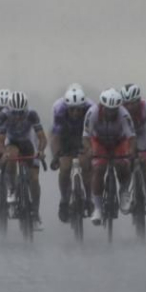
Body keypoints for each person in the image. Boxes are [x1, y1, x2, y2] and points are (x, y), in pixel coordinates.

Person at [0, 91, 48, 230]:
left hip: (28, 142)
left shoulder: (32, 114)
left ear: (26, 109)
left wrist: (41, 151)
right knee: (12, 154)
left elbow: (42, 137)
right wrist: (3, 153)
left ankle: (35, 214)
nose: (18, 116)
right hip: (11, 141)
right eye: (15, 113)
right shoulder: (4, 115)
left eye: (21, 113)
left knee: (34, 180)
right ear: (10, 110)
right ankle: (11, 189)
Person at [83, 89, 136, 225]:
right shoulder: (92, 113)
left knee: (122, 164)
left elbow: (131, 137)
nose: (111, 113)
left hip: (119, 141)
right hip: (99, 141)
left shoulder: (124, 115)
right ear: (102, 106)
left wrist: (131, 151)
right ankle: (98, 208)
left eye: (114, 110)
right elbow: (86, 137)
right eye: (108, 109)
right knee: (99, 169)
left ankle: (124, 191)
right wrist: (89, 150)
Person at [50, 86, 94, 223]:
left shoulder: (91, 108)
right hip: (65, 136)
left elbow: (93, 134)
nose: (75, 112)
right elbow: (55, 137)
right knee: (64, 168)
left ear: (83, 106)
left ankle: (89, 198)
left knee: (86, 164)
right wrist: (56, 156)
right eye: (72, 109)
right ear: (67, 107)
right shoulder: (59, 110)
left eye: (78, 109)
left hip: (84, 136)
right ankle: (64, 199)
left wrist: (91, 151)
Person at [120, 83, 146, 215]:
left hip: (142, 134)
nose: (129, 106)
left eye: (133, 103)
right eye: (126, 103)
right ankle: (124, 191)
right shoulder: (119, 109)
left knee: (144, 162)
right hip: (125, 136)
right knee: (126, 163)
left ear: (138, 100)